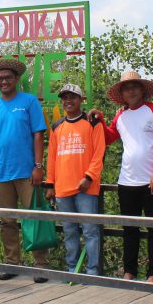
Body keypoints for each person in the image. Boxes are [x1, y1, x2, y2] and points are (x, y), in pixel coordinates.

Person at [0, 58, 49, 281]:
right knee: (7, 220)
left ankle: (41, 265)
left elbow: (38, 134)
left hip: (27, 171)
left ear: (16, 79)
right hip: (1, 173)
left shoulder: (29, 101)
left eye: (8, 77)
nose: (4, 81)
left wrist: (38, 166)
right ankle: (12, 263)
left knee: (34, 217)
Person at [102, 71, 153, 282]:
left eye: (134, 86)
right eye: (126, 87)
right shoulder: (121, 115)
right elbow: (108, 137)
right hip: (126, 180)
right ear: (121, 93)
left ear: (142, 90)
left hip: (151, 180)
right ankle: (129, 271)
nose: (130, 90)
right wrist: (98, 120)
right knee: (129, 228)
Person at [45, 84, 105, 276]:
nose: (68, 101)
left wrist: (89, 177)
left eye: (73, 97)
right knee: (69, 231)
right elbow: (52, 157)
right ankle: (73, 270)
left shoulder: (92, 123)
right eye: (64, 98)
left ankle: (92, 271)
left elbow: (99, 154)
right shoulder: (57, 126)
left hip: (86, 188)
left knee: (90, 231)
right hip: (62, 188)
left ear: (81, 100)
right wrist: (50, 184)